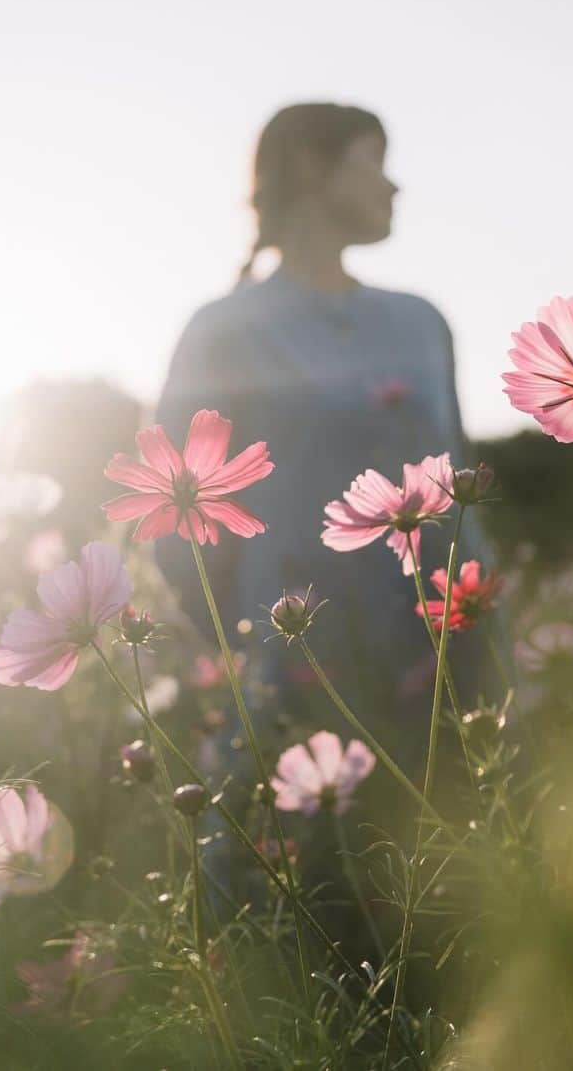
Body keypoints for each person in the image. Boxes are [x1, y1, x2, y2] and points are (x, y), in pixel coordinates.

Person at [153, 102, 494, 756]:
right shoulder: (225, 330)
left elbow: (463, 500)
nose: (394, 186)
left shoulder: (422, 323)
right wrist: (259, 644)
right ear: (312, 166)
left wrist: (484, 642)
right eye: (374, 161)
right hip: (294, 677)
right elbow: (176, 522)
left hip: (440, 670)